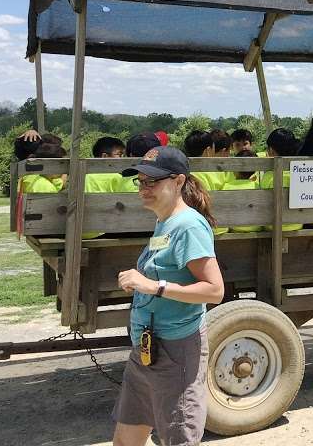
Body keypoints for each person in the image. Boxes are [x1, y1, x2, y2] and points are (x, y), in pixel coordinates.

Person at [113, 146, 223, 446]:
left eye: (153, 181)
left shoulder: (188, 226)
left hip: (175, 351)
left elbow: (215, 291)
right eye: (140, 181)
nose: (144, 188)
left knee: (178, 440)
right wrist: (143, 283)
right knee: (125, 441)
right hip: (148, 347)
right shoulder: (165, 221)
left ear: (178, 182)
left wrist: (153, 286)